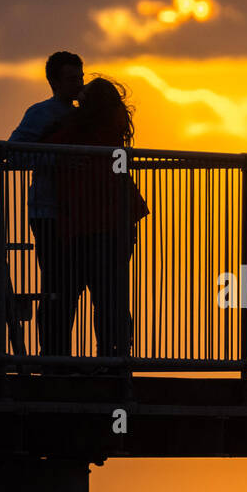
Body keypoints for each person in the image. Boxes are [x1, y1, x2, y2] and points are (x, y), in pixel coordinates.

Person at [38, 76, 148, 361]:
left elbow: (46, 145)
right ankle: (114, 357)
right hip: (118, 221)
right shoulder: (113, 123)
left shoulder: (79, 128)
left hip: (87, 224)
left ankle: (56, 359)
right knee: (111, 295)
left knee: (67, 294)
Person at [9, 51, 83, 358]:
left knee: (72, 286)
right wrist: (58, 158)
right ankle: (52, 355)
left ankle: (60, 355)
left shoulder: (84, 114)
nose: (78, 83)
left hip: (76, 214)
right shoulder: (40, 113)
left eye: (80, 76)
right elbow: (13, 154)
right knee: (55, 286)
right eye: (71, 78)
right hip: (47, 212)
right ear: (53, 82)